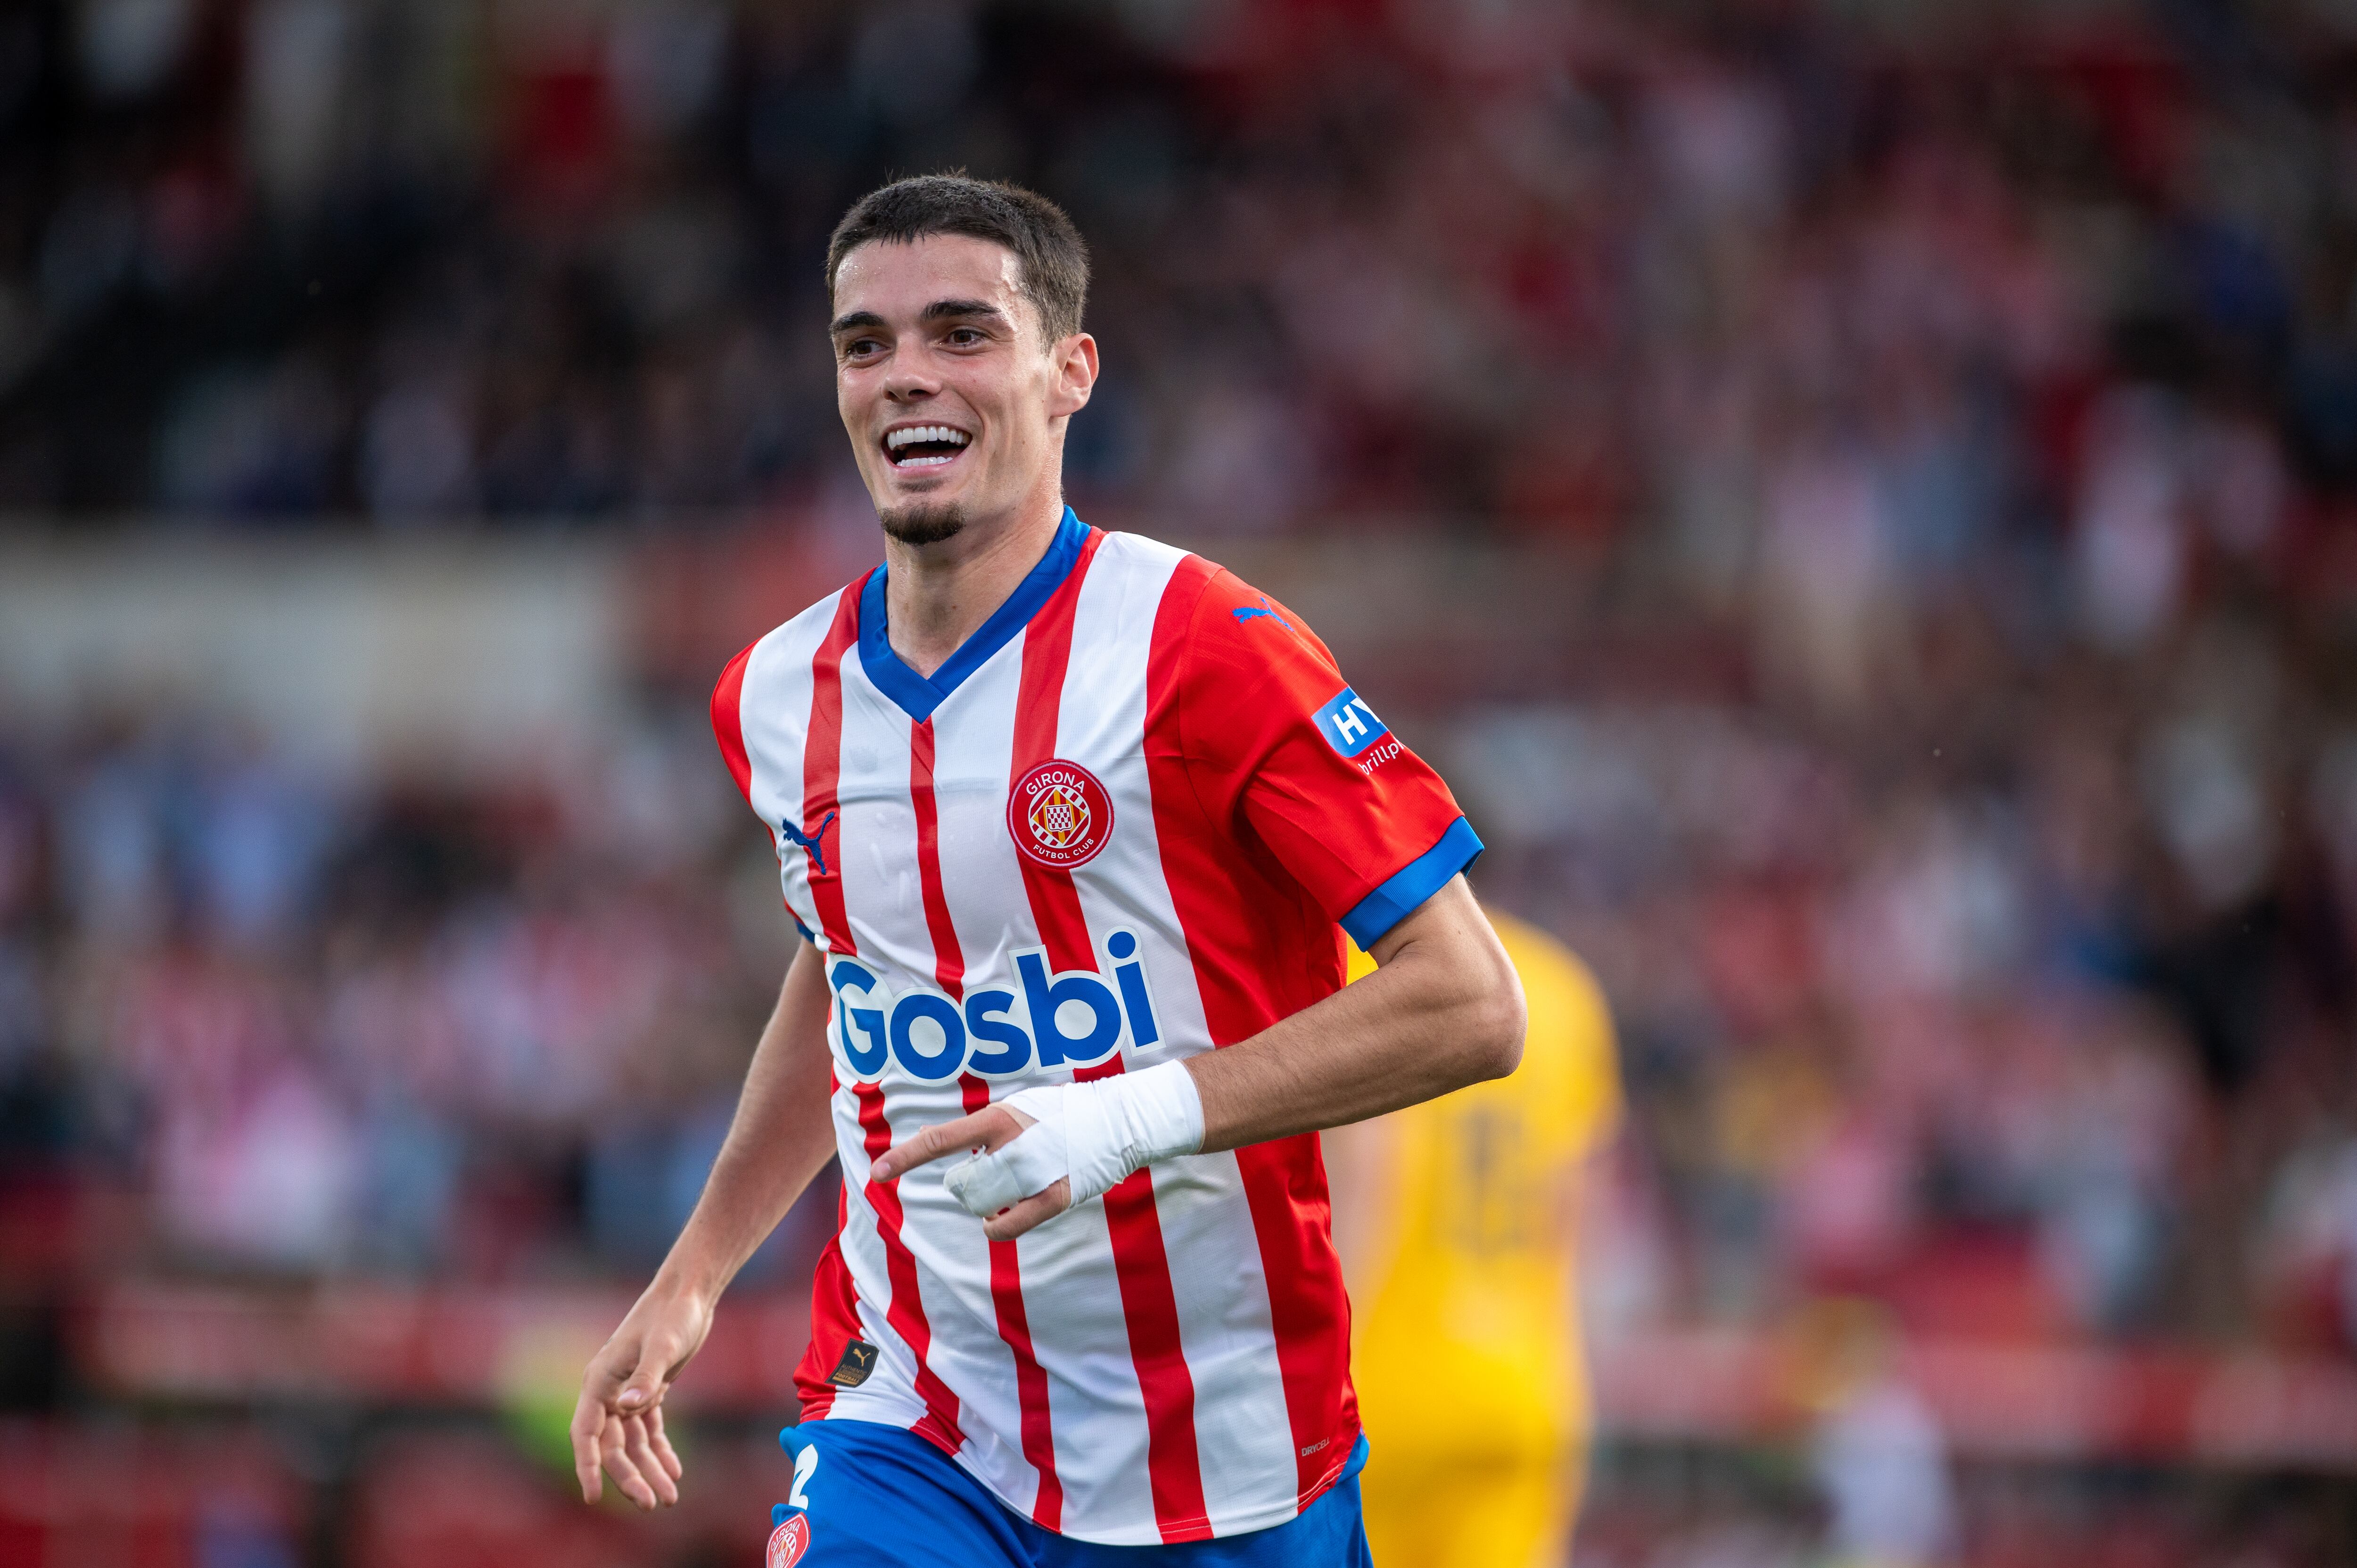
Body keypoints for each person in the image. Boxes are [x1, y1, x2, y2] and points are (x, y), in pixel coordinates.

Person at [567, 174, 1526, 1568]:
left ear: (1067, 372)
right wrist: (694, 1276)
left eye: (961, 333)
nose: (906, 377)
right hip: (914, 1422)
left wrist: (1128, 1118)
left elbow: (1471, 1005)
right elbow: (847, 970)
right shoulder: (775, 695)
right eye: (865, 344)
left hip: (1229, 1453)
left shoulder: (1207, 648)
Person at [1328, 916, 1621, 1568]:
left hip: (1382, 1393)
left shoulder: (1348, 969)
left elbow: (1369, 1184)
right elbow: (1575, 1219)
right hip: (1523, 1388)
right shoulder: (1562, 986)